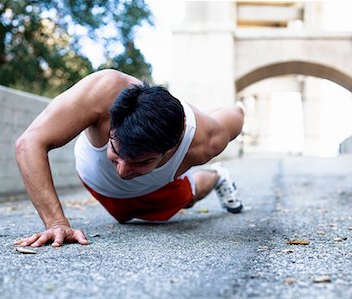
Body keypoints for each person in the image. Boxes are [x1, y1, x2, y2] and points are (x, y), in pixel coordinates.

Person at [13, 69, 244, 248]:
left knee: (190, 197)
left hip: (155, 191)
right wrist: (56, 223)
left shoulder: (207, 139)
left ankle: (217, 176)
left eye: (142, 162)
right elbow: (28, 143)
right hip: (93, 180)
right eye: (117, 153)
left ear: (172, 148)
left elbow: (236, 114)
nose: (122, 172)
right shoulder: (101, 92)